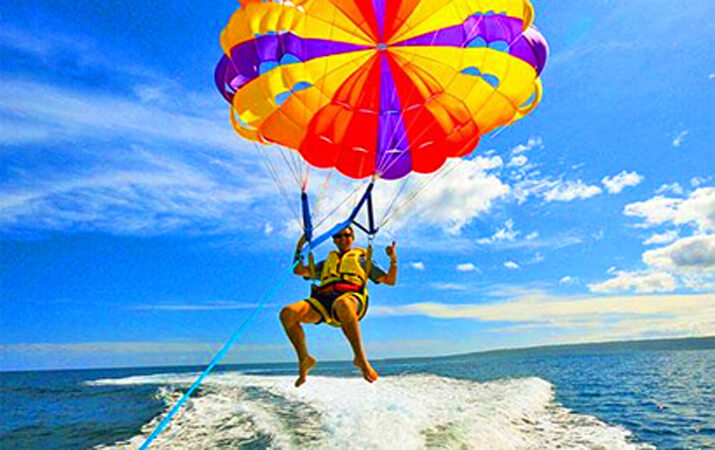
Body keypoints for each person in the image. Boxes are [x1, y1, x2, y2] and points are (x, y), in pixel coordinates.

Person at [279, 226, 397, 387]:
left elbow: (390, 280)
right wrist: (299, 247)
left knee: (343, 304)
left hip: (352, 299)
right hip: (322, 302)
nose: (342, 239)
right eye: (338, 236)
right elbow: (299, 271)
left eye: (346, 235)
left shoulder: (362, 260)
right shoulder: (326, 263)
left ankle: (360, 359)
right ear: (334, 240)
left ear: (353, 238)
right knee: (287, 313)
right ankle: (305, 359)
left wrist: (393, 259)